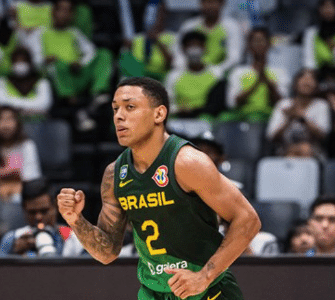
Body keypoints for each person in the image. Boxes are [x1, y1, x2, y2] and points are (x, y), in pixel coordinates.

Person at [57, 77, 261, 300]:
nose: (119, 116)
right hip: (153, 291)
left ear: (159, 114)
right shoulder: (115, 173)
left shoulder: (187, 162)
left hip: (205, 290)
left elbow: (248, 219)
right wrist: (76, 220)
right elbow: (107, 253)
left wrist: (204, 276)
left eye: (130, 107)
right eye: (115, 108)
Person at [25, 0, 113, 131]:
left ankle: (98, 92)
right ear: (54, 12)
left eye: (68, 11)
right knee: (57, 65)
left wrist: (80, 62)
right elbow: (35, 61)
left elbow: (90, 51)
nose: (65, 14)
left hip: (77, 72)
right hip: (57, 77)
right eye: (62, 10)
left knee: (104, 54)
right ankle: (76, 108)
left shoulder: (74, 32)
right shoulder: (41, 33)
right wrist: (45, 60)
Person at [221, 27, 290, 123]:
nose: (259, 45)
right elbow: (232, 103)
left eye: (262, 40)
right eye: (255, 41)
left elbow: (283, 103)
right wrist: (256, 82)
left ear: (269, 44)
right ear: (248, 46)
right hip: (243, 119)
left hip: (270, 119)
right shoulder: (238, 72)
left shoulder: (280, 72)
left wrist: (267, 81)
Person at [0, 178, 83, 257]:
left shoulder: (74, 239)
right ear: (24, 210)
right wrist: (13, 255)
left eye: (44, 211)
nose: (38, 217)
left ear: (56, 207)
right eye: (32, 212)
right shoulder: (12, 239)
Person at [266, 69, 331, 156]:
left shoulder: (321, 105)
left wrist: (302, 118)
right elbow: (271, 136)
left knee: (305, 148)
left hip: (314, 152)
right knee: (291, 153)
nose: (307, 82)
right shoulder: (283, 104)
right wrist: (288, 120)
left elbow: (323, 135)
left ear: (316, 86)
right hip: (285, 150)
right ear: (295, 84)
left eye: (311, 79)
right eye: (303, 78)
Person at [174, 0, 244, 77]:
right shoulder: (189, 26)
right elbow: (178, 52)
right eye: (206, 2)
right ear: (200, 3)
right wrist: (183, 68)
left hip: (220, 74)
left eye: (213, 2)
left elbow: (234, 57)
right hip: (191, 71)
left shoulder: (231, 26)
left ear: (222, 3)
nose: (209, 6)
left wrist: (217, 70)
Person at [165, 31, 222, 120]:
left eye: (198, 46)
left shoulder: (217, 73)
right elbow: (167, 104)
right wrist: (178, 109)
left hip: (209, 120)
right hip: (181, 120)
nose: (194, 50)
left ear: (204, 48)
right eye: (191, 46)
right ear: (183, 49)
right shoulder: (173, 76)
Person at [0, 47, 52, 119]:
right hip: (10, 125)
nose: (20, 64)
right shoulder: (3, 82)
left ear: (30, 62)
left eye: (23, 61)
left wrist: (14, 107)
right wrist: (32, 108)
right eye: (16, 61)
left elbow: (45, 104)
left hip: (38, 123)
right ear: (11, 63)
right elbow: (2, 102)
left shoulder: (42, 82)